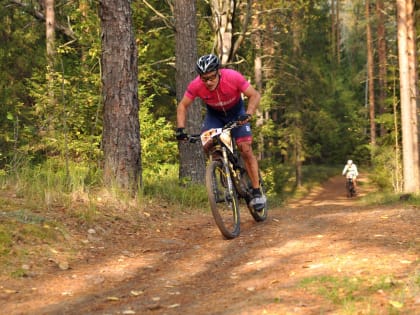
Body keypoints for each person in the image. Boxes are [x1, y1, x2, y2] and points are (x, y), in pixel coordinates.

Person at [175, 54, 266, 211]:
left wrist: (249, 113)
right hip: (215, 116)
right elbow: (183, 105)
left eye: (211, 77)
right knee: (207, 141)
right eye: (204, 79)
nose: (208, 82)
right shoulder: (196, 85)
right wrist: (180, 129)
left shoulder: (232, 77)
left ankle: (257, 192)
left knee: (245, 148)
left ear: (218, 72)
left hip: (237, 112)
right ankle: (222, 166)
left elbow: (254, 95)